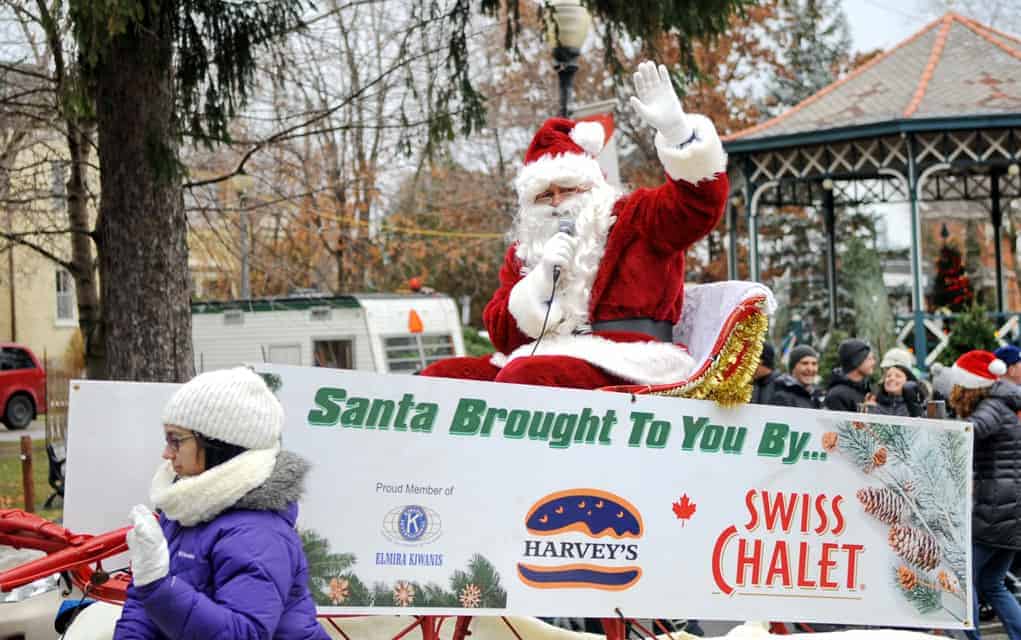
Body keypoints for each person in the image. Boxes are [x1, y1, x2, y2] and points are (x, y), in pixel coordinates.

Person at [420, 60, 728, 389]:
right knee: (441, 378)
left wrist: (678, 135)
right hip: (544, 356)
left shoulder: (633, 217)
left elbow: (696, 206)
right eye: (543, 195)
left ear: (591, 186)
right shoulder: (524, 253)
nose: (555, 203)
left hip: (630, 360)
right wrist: (537, 285)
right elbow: (502, 337)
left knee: (526, 378)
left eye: (567, 190)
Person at [113, 367, 328, 640]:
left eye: (176, 440)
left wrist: (158, 586)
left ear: (219, 444)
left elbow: (244, 633)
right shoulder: (186, 505)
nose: (166, 453)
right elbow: (144, 604)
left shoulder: (257, 533)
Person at [946, 350, 1021, 640]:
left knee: (961, 580)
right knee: (992, 582)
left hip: (996, 510)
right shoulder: (1002, 403)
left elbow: (968, 433)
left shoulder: (990, 406)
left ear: (970, 384)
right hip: (1009, 509)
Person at [868, 347, 926, 418]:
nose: (892, 378)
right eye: (888, 375)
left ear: (908, 379)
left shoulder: (918, 406)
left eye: (898, 376)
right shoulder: (873, 402)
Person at [824, 338, 876, 412]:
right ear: (857, 361)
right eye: (870, 359)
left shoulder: (865, 392)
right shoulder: (836, 395)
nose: (873, 363)